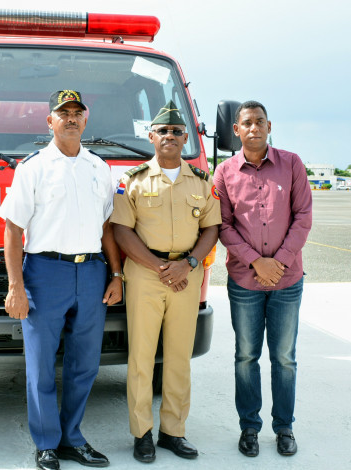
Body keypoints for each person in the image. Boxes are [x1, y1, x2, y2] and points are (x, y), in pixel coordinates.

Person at [0, 90, 122, 470]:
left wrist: (116, 274)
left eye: (77, 113)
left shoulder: (99, 167)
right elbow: (12, 229)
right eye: (63, 112)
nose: (71, 118)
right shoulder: (33, 167)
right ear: (49, 121)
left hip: (91, 272)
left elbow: (107, 227)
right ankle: (46, 443)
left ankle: (73, 439)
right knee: (40, 365)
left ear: (86, 119)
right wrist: (15, 287)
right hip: (45, 273)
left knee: (85, 364)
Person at [111, 100, 220, 463]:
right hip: (146, 275)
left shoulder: (202, 181)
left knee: (178, 358)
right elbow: (121, 230)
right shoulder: (133, 180)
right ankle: (142, 433)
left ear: (186, 137)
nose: (169, 136)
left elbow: (212, 228)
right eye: (163, 131)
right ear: (151, 136)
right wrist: (160, 267)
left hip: (186, 276)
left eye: (176, 131)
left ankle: (173, 431)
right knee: (141, 358)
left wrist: (188, 264)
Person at [213, 101, 312, 458]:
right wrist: (257, 262)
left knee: (284, 358)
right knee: (246, 356)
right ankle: (249, 428)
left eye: (259, 122)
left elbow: (303, 217)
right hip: (245, 282)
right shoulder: (224, 172)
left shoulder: (292, 164)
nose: (253, 128)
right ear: (236, 130)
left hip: (287, 281)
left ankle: (284, 427)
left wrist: (278, 263)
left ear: (269, 126)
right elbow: (222, 225)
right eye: (246, 123)